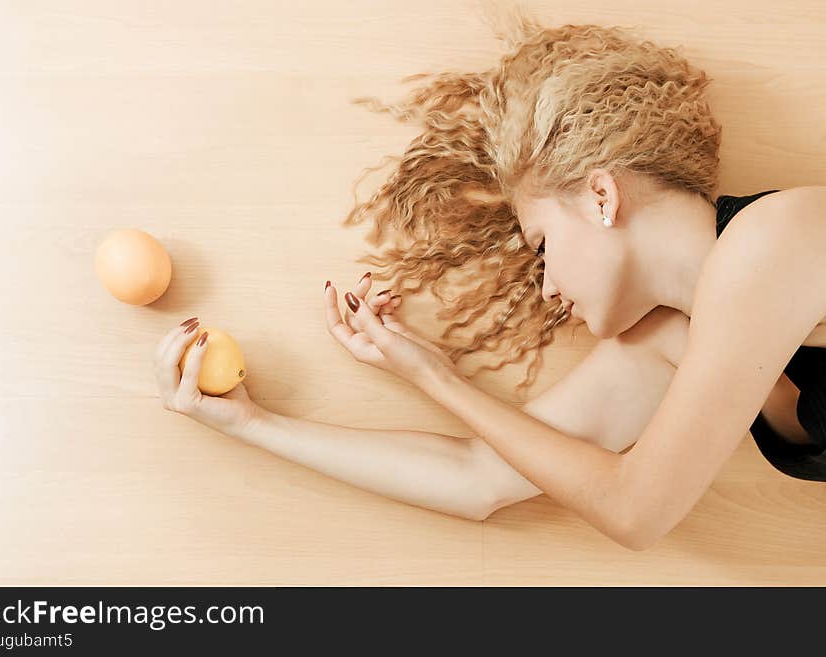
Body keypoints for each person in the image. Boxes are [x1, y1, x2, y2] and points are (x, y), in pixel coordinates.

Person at [153, 16, 826, 550]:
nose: (548, 289)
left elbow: (634, 509)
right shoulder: (678, 332)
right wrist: (251, 422)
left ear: (601, 197)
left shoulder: (778, 240)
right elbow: (479, 477)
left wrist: (437, 380)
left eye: (542, 247)